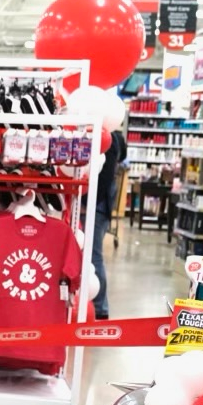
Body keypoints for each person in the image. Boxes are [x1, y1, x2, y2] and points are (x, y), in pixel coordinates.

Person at [92, 128, 127, 321]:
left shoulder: (108, 139)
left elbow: (104, 179)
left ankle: (100, 307)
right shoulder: (113, 137)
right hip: (97, 206)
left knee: (93, 256)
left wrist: (87, 203)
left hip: (96, 207)